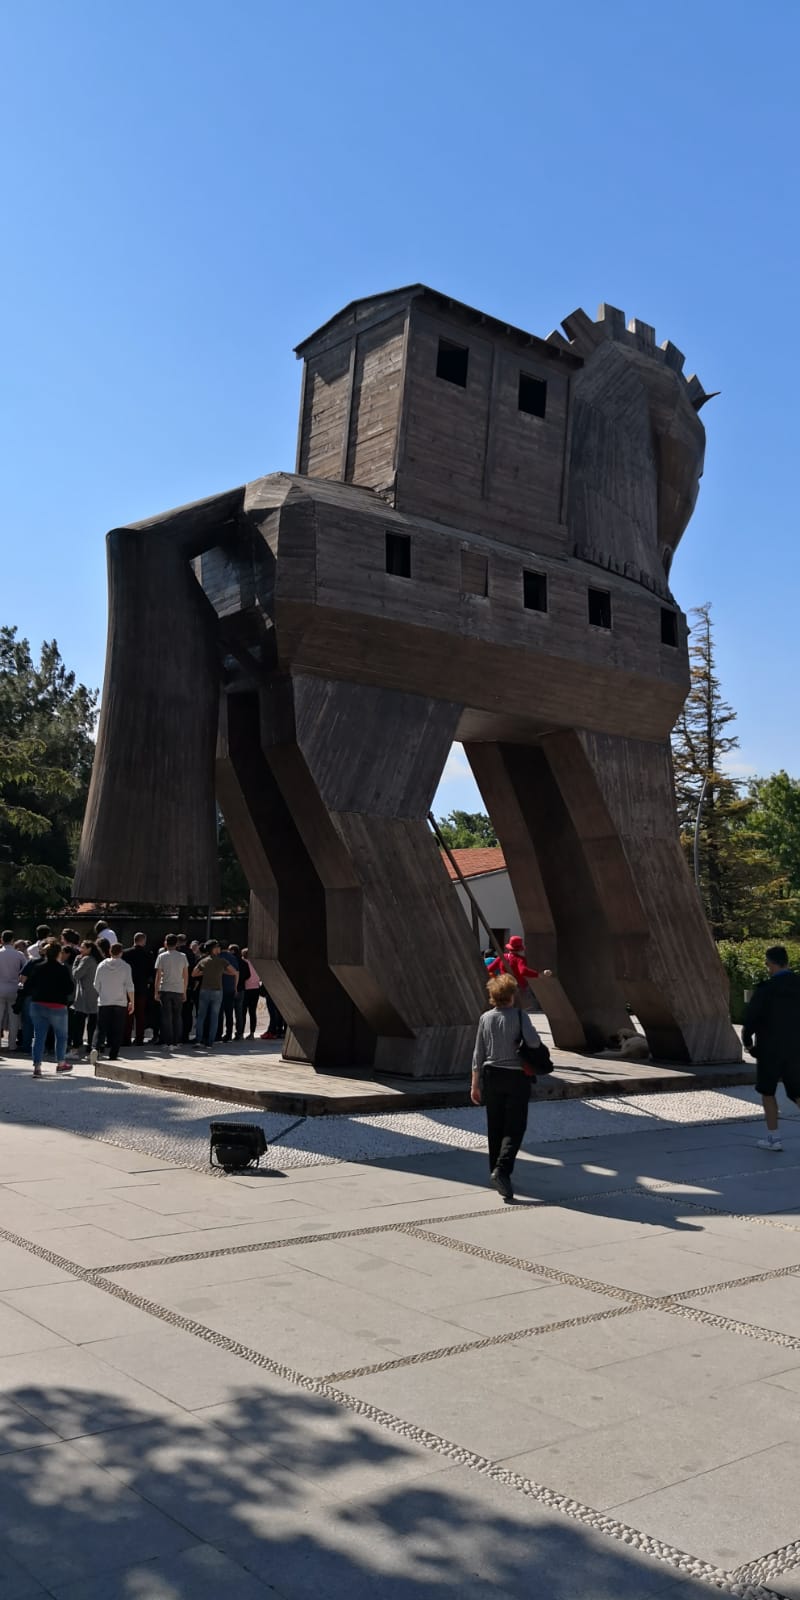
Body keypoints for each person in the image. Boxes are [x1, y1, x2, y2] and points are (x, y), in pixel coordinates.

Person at [471, 972, 542, 1202]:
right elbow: (534, 1043)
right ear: (512, 994)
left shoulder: (485, 1018)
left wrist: (474, 1084)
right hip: (516, 1077)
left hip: (491, 1076)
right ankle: (502, 1171)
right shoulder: (521, 1016)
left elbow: (478, 1053)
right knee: (515, 1127)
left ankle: (495, 1171)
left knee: (495, 1125)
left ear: (493, 996)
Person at [742, 945, 800, 1152]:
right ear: (787, 962)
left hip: (769, 1049)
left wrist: (748, 1043)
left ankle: (774, 1139)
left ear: (770, 964)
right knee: (797, 1092)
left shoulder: (766, 989)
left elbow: (751, 1019)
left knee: (767, 1091)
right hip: (796, 1048)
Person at [22, 938, 74, 1077]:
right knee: (61, 1036)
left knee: (39, 1036)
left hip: (38, 1004)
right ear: (59, 953)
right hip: (57, 1005)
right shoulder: (62, 969)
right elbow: (69, 988)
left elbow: (28, 985)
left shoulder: (37, 967)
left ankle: (37, 1067)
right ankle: (61, 1063)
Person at [91, 943, 134, 1063]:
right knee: (117, 1029)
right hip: (120, 1001)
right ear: (121, 953)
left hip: (104, 1001)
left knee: (100, 1028)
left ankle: (96, 1048)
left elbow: (96, 984)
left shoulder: (101, 965)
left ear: (110, 952)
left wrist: (102, 992)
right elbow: (130, 986)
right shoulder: (125, 966)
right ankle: (113, 1054)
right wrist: (132, 1002)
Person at [488, 936, 551, 1013]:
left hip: (504, 985)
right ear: (520, 949)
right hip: (517, 987)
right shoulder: (519, 959)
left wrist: (496, 979)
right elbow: (523, 971)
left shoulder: (502, 957)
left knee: (504, 1007)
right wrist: (538, 974)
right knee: (520, 1009)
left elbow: (489, 969)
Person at [194, 940, 239, 1048]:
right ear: (214, 949)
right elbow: (234, 972)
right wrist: (222, 971)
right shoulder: (222, 961)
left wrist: (205, 972)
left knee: (201, 1016)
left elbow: (194, 973)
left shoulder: (204, 961)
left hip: (204, 990)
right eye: (217, 947)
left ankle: (199, 1040)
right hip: (217, 991)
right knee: (214, 1017)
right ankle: (210, 1042)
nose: (219, 949)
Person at [154, 933, 188, 1050]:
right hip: (178, 989)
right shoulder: (183, 956)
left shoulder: (161, 956)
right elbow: (185, 975)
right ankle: (177, 1041)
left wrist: (156, 991)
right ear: (176, 943)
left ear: (166, 943)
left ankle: (168, 1042)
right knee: (177, 1016)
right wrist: (184, 991)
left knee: (166, 1017)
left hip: (165, 988)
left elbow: (158, 975)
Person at [123, 933, 155, 1045]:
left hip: (128, 987)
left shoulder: (125, 953)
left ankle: (126, 1039)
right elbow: (152, 971)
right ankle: (139, 1038)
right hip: (142, 987)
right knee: (140, 1015)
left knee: (128, 1014)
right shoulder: (148, 954)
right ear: (144, 941)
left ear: (134, 940)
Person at [70, 939, 101, 1054]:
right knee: (92, 1021)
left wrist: (76, 962)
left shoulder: (86, 959)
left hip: (84, 995)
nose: (80, 949)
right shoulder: (96, 960)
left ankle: (76, 1044)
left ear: (89, 949)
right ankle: (92, 1045)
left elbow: (76, 974)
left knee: (79, 1021)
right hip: (95, 994)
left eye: (83, 947)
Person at [0, 930, 26, 1052]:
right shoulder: (19, 955)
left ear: (1, 939)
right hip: (14, 988)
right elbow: (26, 969)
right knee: (14, 1018)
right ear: (12, 940)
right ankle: (12, 1044)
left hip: (0, 987)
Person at [217, 943, 242, 1042]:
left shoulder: (218, 957)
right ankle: (228, 1034)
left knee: (219, 1013)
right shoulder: (233, 957)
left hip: (219, 987)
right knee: (229, 1012)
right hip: (230, 987)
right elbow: (237, 973)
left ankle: (218, 1034)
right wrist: (235, 987)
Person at [240, 948, 261, 1038]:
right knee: (252, 1012)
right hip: (256, 989)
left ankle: (241, 1033)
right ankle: (252, 1033)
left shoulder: (243, 963)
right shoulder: (257, 964)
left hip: (246, 989)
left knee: (243, 1012)